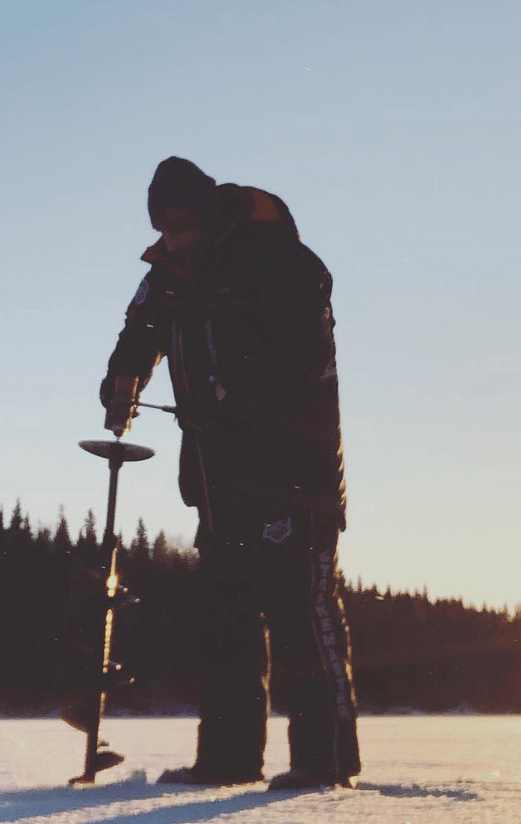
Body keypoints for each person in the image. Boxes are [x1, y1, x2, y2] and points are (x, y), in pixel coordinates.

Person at [101, 157, 360, 789]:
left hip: (294, 474)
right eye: (164, 227)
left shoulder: (281, 263)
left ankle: (325, 762)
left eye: (184, 225)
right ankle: (227, 759)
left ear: (210, 215)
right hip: (220, 485)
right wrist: (123, 378)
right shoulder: (169, 272)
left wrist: (225, 393)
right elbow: (142, 326)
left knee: (301, 611)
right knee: (224, 621)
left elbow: (303, 359)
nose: (174, 237)